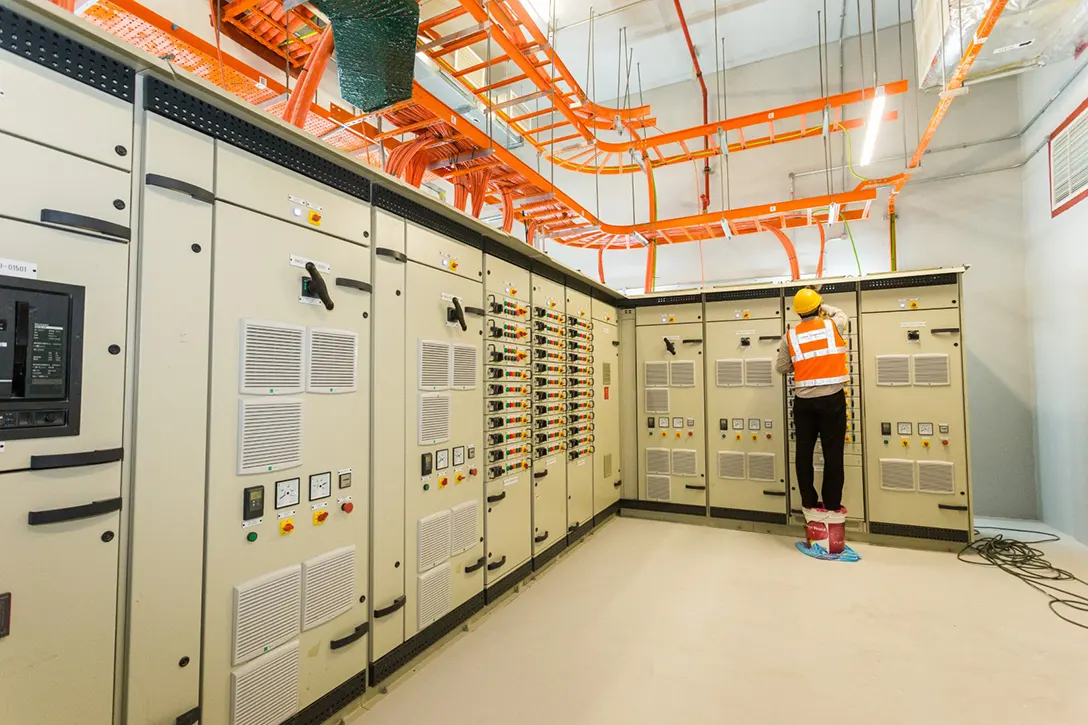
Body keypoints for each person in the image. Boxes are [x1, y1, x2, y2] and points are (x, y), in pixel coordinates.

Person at [776, 288, 850, 554]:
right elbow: (841, 313)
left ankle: (809, 502)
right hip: (832, 399)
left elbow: (782, 367)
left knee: (804, 453)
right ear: (819, 307)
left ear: (797, 312)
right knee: (833, 455)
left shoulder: (791, 335)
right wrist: (823, 306)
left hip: (804, 403)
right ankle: (831, 506)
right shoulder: (834, 323)